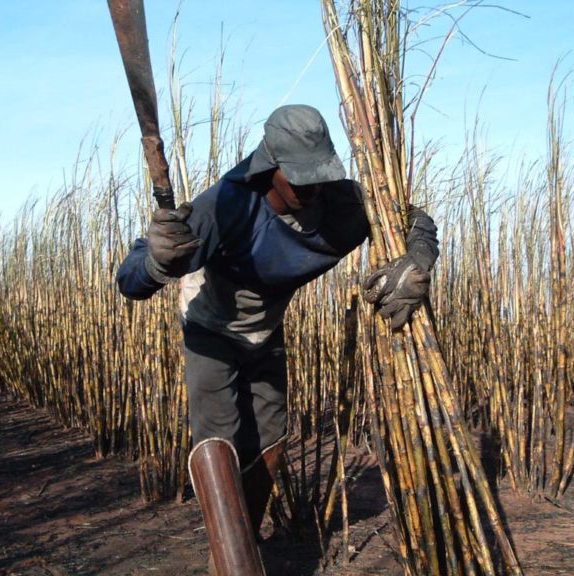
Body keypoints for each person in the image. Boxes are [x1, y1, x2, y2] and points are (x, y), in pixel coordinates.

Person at [116, 104, 438, 575]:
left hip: (266, 325)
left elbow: (415, 220)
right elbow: (130, 279)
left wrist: (418, 261)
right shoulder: (226, 204)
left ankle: (240, 542)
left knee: (270, 439)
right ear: (270, 168)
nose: (311, 187)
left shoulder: (345, 205)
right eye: (298, 176)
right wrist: (157, 261)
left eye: (319, 173)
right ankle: (228, 563)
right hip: (210, 324)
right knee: (219, 443)